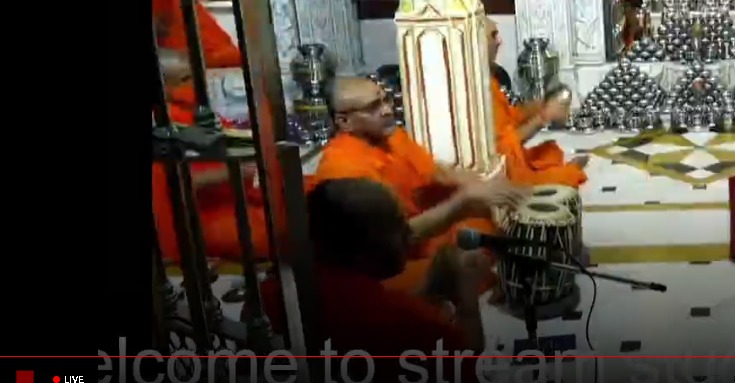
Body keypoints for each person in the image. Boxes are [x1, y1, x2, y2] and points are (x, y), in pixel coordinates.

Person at [255, 178, 486, 383]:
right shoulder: (412, 324)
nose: (409, 235)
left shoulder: (273, 294)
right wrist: (468, 298)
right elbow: (467, 364)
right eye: (397, 227)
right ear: (361, 251)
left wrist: (429, 291)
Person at [312, 76, 527, 295]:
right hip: (392, 265)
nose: (387, 110)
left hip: (428, 236)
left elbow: (437, 173)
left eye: (385, 100)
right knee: (466, 264)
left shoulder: (392, 137)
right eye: (373, 107)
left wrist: (486, 188)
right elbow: (391, 240)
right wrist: (462, 203)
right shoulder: (342, 170)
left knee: (500, 228)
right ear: (345, 122)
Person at [152, 50, 271, 262]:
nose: (196, 85)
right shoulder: (162, 122)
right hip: (203, 214)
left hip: (241, 195)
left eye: (195, 77)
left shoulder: (192, 111)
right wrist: (231, 172)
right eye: (185, 79)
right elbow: (172, 183)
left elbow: (230, 138)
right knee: (277, 230)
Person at [485, 19, 589, 187]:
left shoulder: (490, 79)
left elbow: (511, 118)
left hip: (512, 158)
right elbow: (502, 149)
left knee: (550, 152)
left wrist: (540, 105)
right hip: (501, 171)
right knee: (565, 175)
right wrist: (543, 117)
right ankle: (568, 169)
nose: (499, 41)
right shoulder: (479, 88)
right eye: (493, 35)